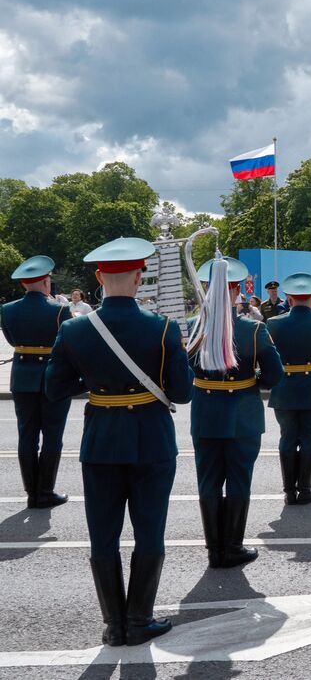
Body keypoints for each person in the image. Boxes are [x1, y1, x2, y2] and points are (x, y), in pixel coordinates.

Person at [44, 237, 194, 647]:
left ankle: (114, 625)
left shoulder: (73, 328)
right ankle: (140, 620)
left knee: (103, 536)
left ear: (98, 277)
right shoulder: (163, 327)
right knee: (150, 532)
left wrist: (97, 385)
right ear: (140, 275)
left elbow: (54, 389)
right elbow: (182, 394)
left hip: (101, 442)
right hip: (151, 441)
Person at [190, 256, 283, 569]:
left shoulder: (193, 328)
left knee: (208, 481)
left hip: (205, 414)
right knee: (239, 480)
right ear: (237, 290)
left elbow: (183, 371)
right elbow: (274, 376)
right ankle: (232, 546)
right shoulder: (253, 330)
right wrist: (251, 381)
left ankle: (213, 550)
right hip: (243, 414)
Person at [2, 254, 73, 509]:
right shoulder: (60, 310)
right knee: (53, 436)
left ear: (23, 284)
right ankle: (45, 491)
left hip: (22, 378)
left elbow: (12, 341)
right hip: (53, 377)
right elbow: (67, 342)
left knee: (27, 435)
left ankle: (32, 492)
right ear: (46, 281)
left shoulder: (8, 309)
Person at [266, 272, 311, 506]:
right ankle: (304, 489)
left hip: (284, 388)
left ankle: (289, 491)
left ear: (288, 299)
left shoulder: (274, 323)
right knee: (308, 437)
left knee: (287, 437)